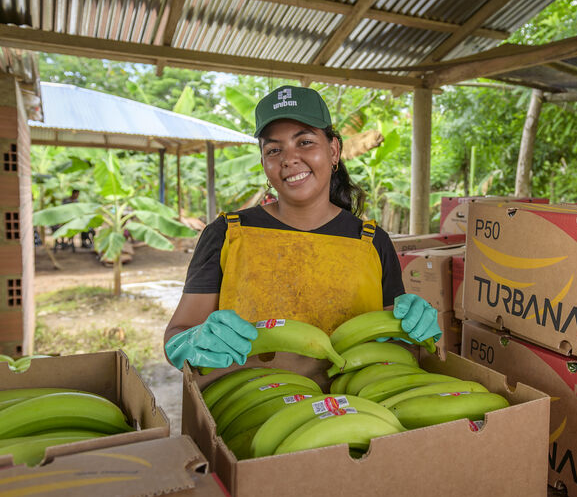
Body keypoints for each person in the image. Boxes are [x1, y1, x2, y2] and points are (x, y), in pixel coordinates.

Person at [164, 85, 441, 369]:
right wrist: (191, 341)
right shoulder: (226, 235)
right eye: (274, 149)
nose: (289, 159)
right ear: (263, 163)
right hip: (250, 401)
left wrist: (413, 326)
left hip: (356, 403)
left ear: (334, 150)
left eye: (305, 142)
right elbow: (178, 333)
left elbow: (390, 337)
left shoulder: (371, 242)